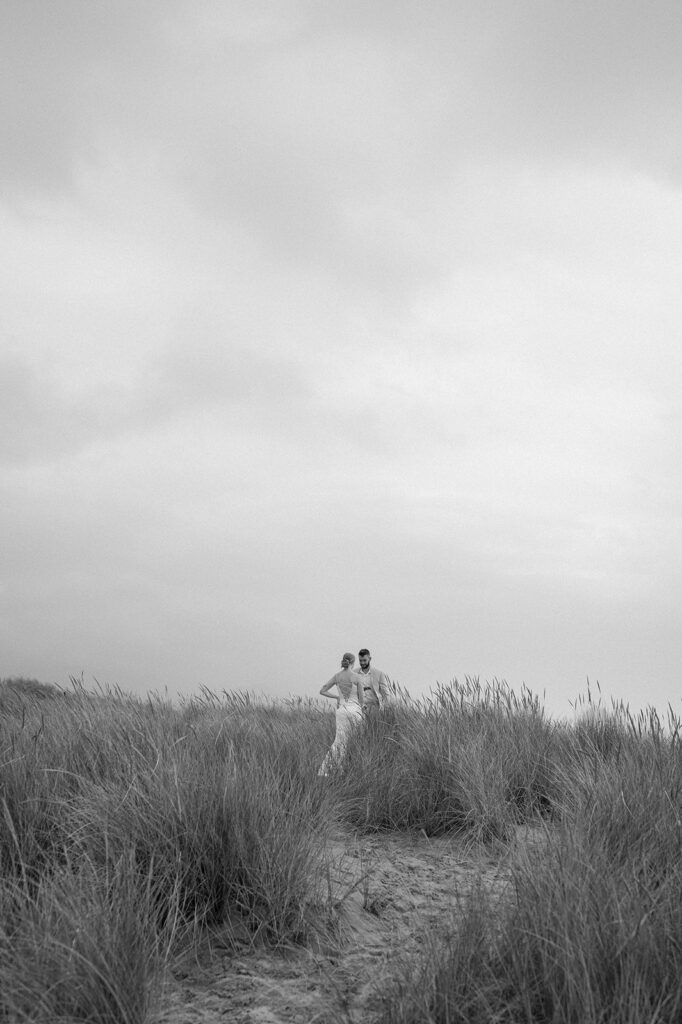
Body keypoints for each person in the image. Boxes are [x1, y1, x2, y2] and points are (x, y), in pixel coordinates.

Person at [318, 652, 365, 776]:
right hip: (355, 711)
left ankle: (328, 770)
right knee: (355, 741)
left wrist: (337, 697)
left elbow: (322, 691)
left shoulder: (337, 676)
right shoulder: (357, 677)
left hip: (342, 712)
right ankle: (350, 769)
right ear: (353, 663)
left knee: (339, 741)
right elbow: (362, 700)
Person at [356, 648, 391, 717]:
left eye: (364, 660)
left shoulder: (379, 674)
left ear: (370, 659)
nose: (362, 663)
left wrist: (386, 709)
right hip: (358, 709)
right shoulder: (354, 673)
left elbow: (386, 693)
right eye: (360, 660)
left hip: (375, 708)